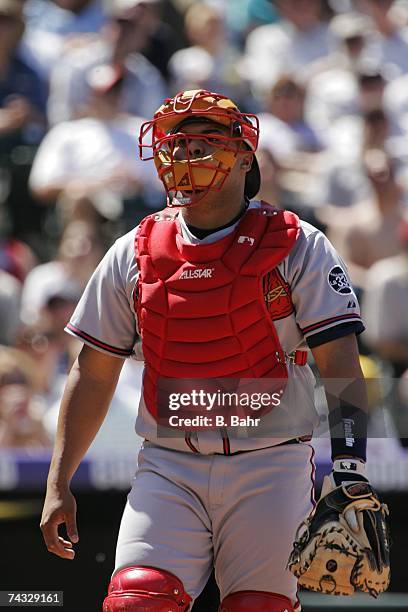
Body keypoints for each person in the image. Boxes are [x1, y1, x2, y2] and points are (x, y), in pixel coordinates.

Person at [40, 89, 383, 610]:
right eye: (175, 145)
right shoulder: (134, 250)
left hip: (271, 465)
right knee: (138, 601)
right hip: (170, 464)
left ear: (244, 156)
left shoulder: (297, 243)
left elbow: (340, 364)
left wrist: (351, 470)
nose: (183, 157)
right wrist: (58, 479)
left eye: (203, 144)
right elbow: (93, 371)